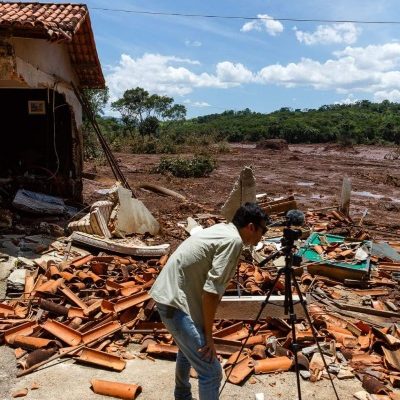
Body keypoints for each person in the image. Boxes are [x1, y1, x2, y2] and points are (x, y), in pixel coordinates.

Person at [149, 202, 269, 400]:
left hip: (170, 297)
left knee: (188, 351)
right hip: (175, 303)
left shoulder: (223, 230)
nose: (262, 236)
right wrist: (209, 337)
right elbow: (211, 292)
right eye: (263, 230)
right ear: (251, 227)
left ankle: (182, 396)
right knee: (211, 372)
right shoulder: (233, 241)